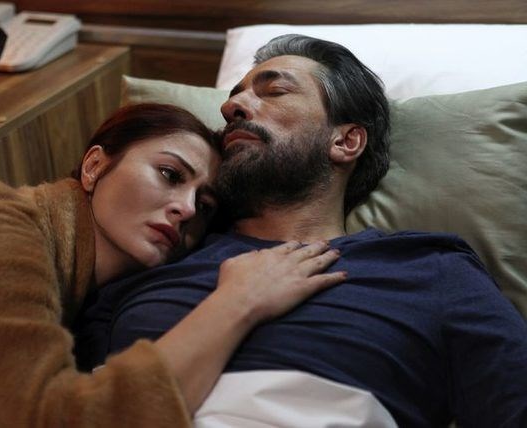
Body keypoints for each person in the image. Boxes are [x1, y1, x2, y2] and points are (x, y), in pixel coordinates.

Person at [74, 36, 527, 427]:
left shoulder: (430, 270)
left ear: (345, 141)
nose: (231, 107)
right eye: (234, 98)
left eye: (275, 91)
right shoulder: (156, 252)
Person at [0, 103, 346, 427]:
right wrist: (238, 303)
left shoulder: (80, 282)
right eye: (169, 174)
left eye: (205, 206)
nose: (187, 208)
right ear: (93, 167)